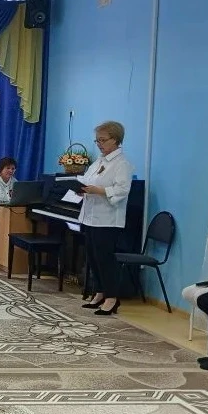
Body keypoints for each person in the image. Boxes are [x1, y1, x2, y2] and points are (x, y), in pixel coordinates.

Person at [79, 121, 133, 316]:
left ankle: (112, 298)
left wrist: (99, 191)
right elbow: (87, 181)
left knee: (105, 259)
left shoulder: (122, 164)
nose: (99, 144)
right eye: (97, 141)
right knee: (93, 257)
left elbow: (122, 190)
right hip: (90, 217)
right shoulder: (99, 162)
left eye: (103, 140)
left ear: (115, 140)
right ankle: (100, 291)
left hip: (107, 219)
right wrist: (82, 189)